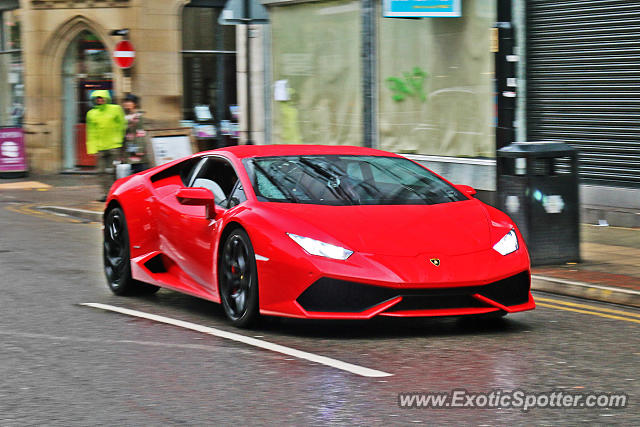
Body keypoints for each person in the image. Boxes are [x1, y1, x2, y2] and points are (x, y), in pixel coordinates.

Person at [86, 90, 126, 202]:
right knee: (101, 172)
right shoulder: (91, 114)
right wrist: (92, 148)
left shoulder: (116, 109)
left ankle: (117, 193)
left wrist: (120, 140)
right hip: (100, 148)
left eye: (101, 97)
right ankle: (106, 193)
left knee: (112, 171)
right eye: (97, 98)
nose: (99, 100)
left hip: (114, 146)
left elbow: (122, 125)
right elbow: (91, 131)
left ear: (106, 98)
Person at [121, 93, 149, 174]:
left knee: (138, 173)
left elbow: (141, 133)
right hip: (127, 149)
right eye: (126, 101)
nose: (127, 104)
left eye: (130, 102)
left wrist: (140, 150)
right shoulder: (124, 116)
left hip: (136, 151)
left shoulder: (138, 116)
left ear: (135, 104)